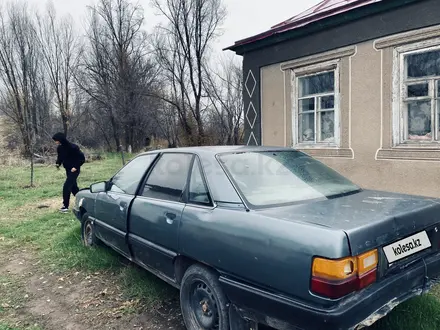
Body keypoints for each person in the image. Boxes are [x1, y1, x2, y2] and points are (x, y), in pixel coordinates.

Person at [52, 132, 85, 213]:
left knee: (66, 186)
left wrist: (76, 167)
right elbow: (60, 157)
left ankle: (65, 206)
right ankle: (83, 201)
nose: (55, 142)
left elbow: (82, 158)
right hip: (67, 169)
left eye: (56, 140)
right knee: (74, 187)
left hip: (74, 170)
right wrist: (58, 163)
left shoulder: (73, 147)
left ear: (60, 139)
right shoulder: (59, 148)